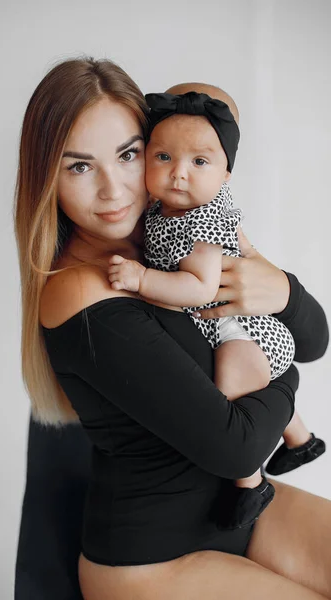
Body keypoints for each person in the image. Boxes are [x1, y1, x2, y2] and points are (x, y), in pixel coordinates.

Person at [14, 56, 331, 599]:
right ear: (47, 177)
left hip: (240, 516)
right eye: (79, 166)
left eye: (128, 154)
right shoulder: (81, 290)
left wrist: (283, 291)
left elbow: (316, 341)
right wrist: (282, 375)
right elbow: (236, 447)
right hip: (153, 559)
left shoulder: (168, 244)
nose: (114, 191)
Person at [106, 83, 326, 529]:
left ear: (226, 175)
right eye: (163, 157)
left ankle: (250, 483)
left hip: (238, 328)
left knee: (227, 396)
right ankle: (300, 440)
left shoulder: (202, 220)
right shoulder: (163, 207)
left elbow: (201, 290)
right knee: (254, 382)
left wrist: (143, 279)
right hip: (230, 321)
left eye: (199, 162)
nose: (178, 174)